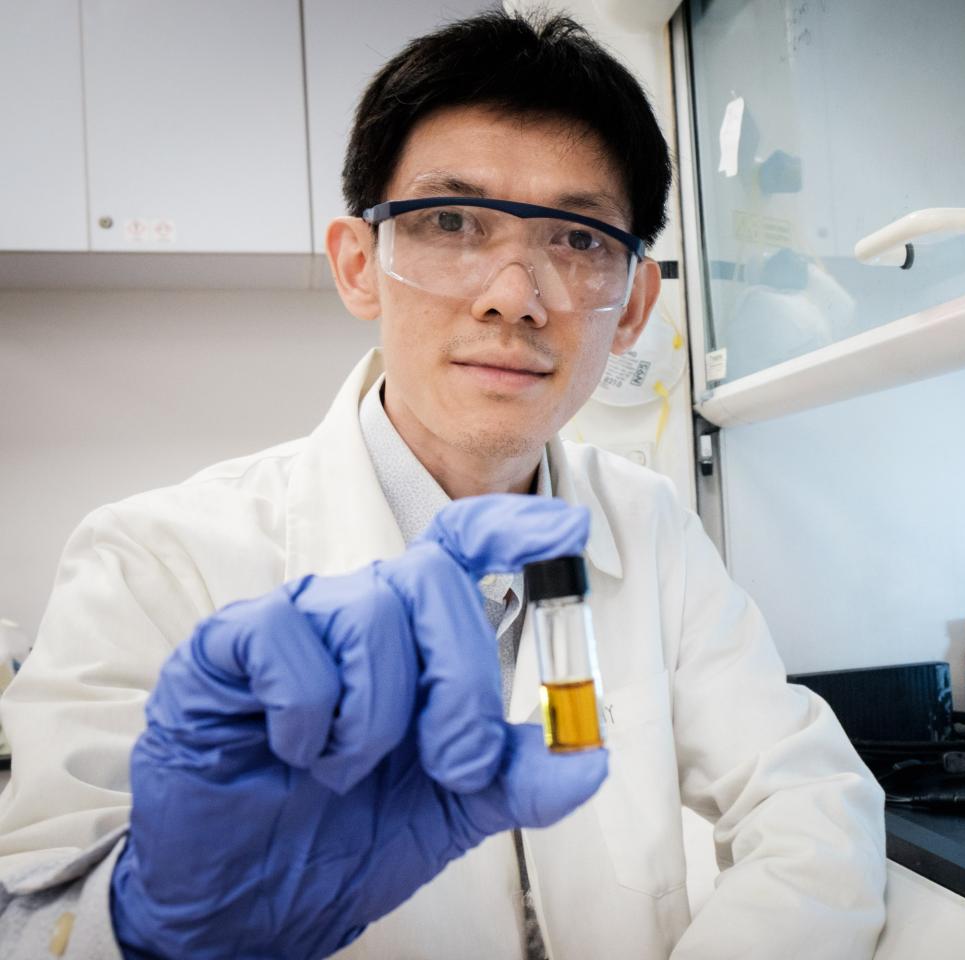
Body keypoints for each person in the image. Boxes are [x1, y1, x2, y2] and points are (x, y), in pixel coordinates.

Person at [0, 11, 886, 960]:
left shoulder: (648, 525)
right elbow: (30, 916)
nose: (513, 295)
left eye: (578, 238)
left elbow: (806, 801)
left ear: (632, 303)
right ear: (359, 266)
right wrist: (150, 917)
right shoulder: (153, 561)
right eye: (452, 223)